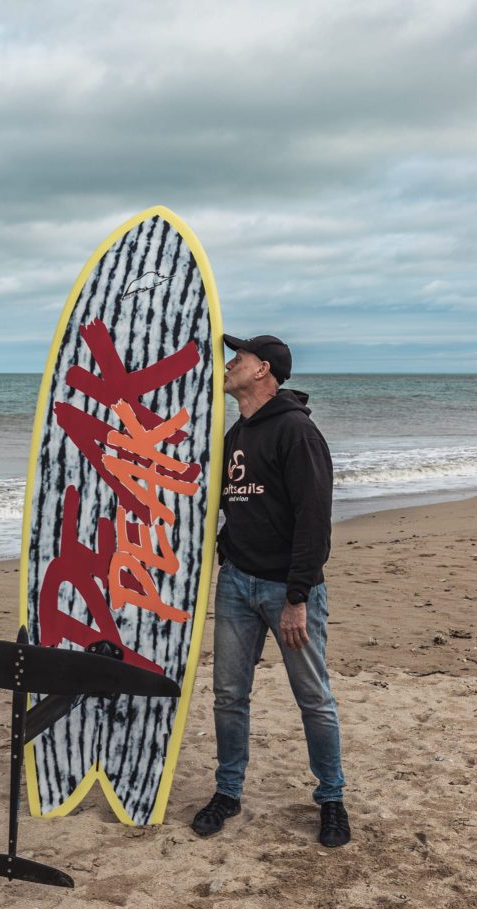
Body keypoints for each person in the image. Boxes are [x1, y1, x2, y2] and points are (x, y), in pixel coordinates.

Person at [191, 334, 350, 847]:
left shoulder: (297, 432)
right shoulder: (237, 433)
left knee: (313, 697)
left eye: (237, 358)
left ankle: (331, 798)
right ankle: (228, 791)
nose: (228, 365)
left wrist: (298, 597)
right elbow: (222, 502)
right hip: (237, 583)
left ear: (263, 370)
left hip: (287, 589)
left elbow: (314, 520)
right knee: (229, 695)